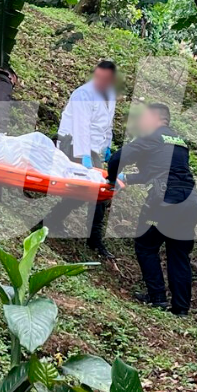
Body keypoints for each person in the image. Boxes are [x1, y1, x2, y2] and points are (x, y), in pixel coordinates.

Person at [106, 103, 197, 316]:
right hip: (190, 202)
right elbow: (162, 172)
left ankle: (157, 297)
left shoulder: (150, 137)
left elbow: (116, 159)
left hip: (165, 203)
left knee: (146, 245)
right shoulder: (179, 142)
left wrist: (111, 179)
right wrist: (128, 178)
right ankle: (181, 309)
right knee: (179, 253)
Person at [33, 61, 118, 258]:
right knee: (98, 191)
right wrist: (85, 157)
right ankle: (94, 238)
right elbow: (81, 127)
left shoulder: (110, 96)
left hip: (94, 147)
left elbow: (107, 126)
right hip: (73, 145)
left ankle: (50, 221)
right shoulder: (84, 94)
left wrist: (106, 148)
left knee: (85, 192)